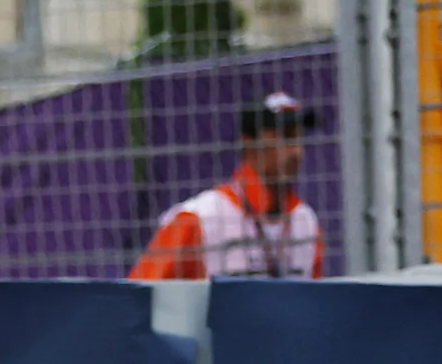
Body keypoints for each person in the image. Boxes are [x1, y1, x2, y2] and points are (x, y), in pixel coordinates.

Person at [127, 89, 325, 280]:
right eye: (285, 137)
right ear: (249, 142)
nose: (297, 152)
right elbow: (137, 299)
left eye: (300, 138)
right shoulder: (197, 218)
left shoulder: (305, 221)